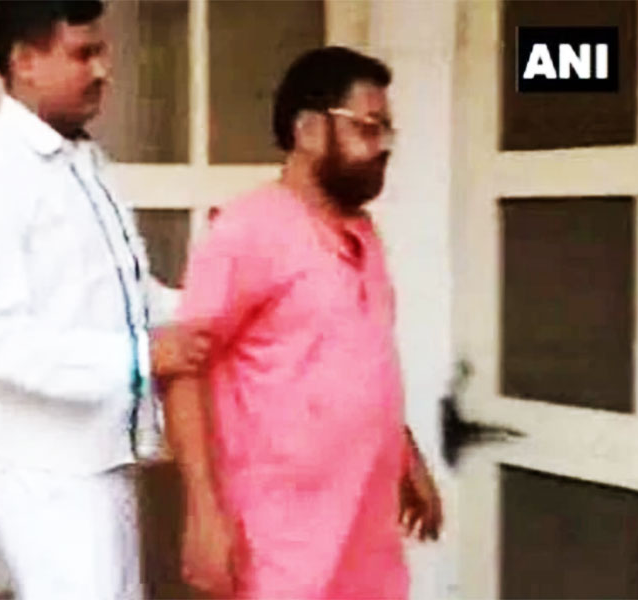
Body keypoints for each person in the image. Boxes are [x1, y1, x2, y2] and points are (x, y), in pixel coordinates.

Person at [0, 1, 208, 598]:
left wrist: (213, 310)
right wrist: (139, 358)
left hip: (106, 452)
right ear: (25, 62)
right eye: (83, 55)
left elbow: (129, 297)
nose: (103, 70)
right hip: (46, 466)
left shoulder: (86, 161)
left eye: (101, 52)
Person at [164, 46, 443, 600]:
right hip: (280, 545)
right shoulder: (247, 230)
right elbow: (183, 369)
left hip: (365, 542)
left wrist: (407, 456)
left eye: (387, 131)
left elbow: (364, 362)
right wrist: (202, 511)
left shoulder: (363, 235)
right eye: (368, 128)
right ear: (309, 129)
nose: (382, 147)